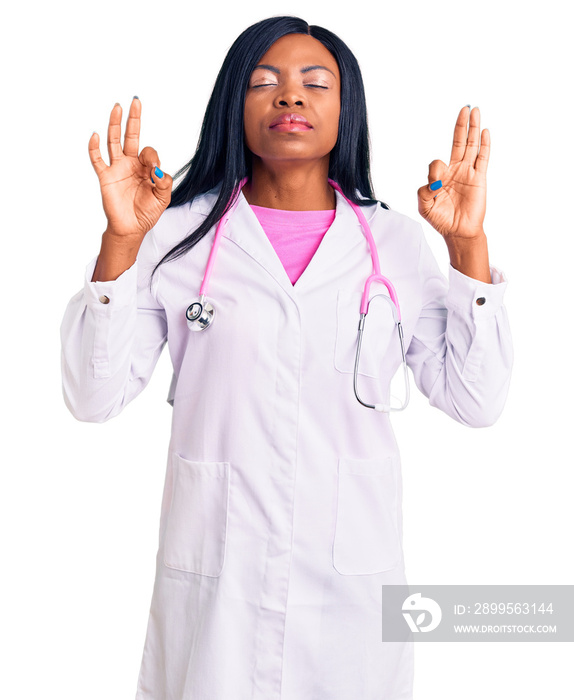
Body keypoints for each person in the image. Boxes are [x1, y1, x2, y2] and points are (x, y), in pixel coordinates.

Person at [60, 15, 513, 700]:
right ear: (233, 108)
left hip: (351, 598)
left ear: (344, 109)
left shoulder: (393, 244)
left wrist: (468, 248)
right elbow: (92, 399)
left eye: (314, 83)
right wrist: (120, 243)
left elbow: (476, 402)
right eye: (264, 82)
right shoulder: (175, 238)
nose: (290, 98)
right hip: (219, 589)